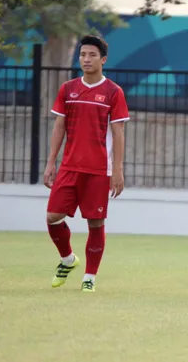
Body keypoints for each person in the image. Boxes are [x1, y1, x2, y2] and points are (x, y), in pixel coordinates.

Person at [44, 35, 130, 292]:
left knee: (95, 222)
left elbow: (118, 132)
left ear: (103, 60)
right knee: (52, 217)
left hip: (98, 170)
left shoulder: (114, 92)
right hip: (69, 166)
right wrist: (51, 163)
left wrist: (117, 170)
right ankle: (68, 259)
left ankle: (89, 278)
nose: (86, 59)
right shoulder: (68, 89)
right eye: (83, 55)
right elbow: (59, 126)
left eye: (92, 55)